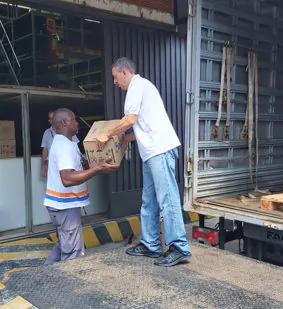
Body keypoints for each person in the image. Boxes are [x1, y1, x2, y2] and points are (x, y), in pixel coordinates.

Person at [96, 57, 192, 267]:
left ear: (124, 72)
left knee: (167, 199)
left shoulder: (136, 87)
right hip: (151, 152)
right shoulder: (142, 88)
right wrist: (122, 138)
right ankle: (151, 245)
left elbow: (129, 121)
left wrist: (108, 135)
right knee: (149, 200)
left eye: (115, 77)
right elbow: (138, 128)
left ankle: (179, 247)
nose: (114, 82)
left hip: (160, 150)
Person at [44, 108, 120, 265]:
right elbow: (67, 178)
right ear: (64, 123)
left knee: (64, 245)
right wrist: (97, 168)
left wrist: (90, 165)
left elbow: (72, 169)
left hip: (61, 207)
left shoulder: (65, 142)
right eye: (74, 120)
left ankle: (45, 273)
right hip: (65, 207)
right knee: (72, 254)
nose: (77, 123)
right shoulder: (65, 146)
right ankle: (67, 286)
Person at [41, 110, 79, 177]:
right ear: (50, 121)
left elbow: (76, 147)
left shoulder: (69, 132)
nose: (76, 123)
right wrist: (43, 166)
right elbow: (45, 149)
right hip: (54, 165)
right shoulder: (48, 133)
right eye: (73, 120)